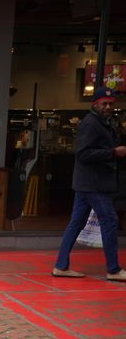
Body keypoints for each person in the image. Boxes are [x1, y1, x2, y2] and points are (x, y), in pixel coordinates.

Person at [53, 87, 126, 282]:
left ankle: (61, 265)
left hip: (87, 182)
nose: (108, 107)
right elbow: (83, 153)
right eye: (105, 104)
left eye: (111, 104)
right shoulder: (91, 124)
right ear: (95, 104)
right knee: (110, 221)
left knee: (76, 223)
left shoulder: (101, 123)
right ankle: (113, 269)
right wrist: (113, 153)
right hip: (94, 183)